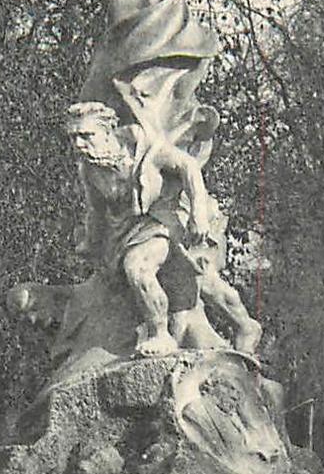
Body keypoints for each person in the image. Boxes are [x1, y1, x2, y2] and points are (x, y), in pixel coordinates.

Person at [64, 100, 218, 357]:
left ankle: (160, 335)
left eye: (86, 135)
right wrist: (91, 242)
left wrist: (198, 212)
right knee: (205, 285)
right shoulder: (89, 170)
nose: (79, 144)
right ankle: (244, 325)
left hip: (160, 221)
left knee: (138, 269)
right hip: (122, 233)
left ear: (107, 132)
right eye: (73, 137)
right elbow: (96, 210)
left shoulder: (145, 150)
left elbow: (187, 167)